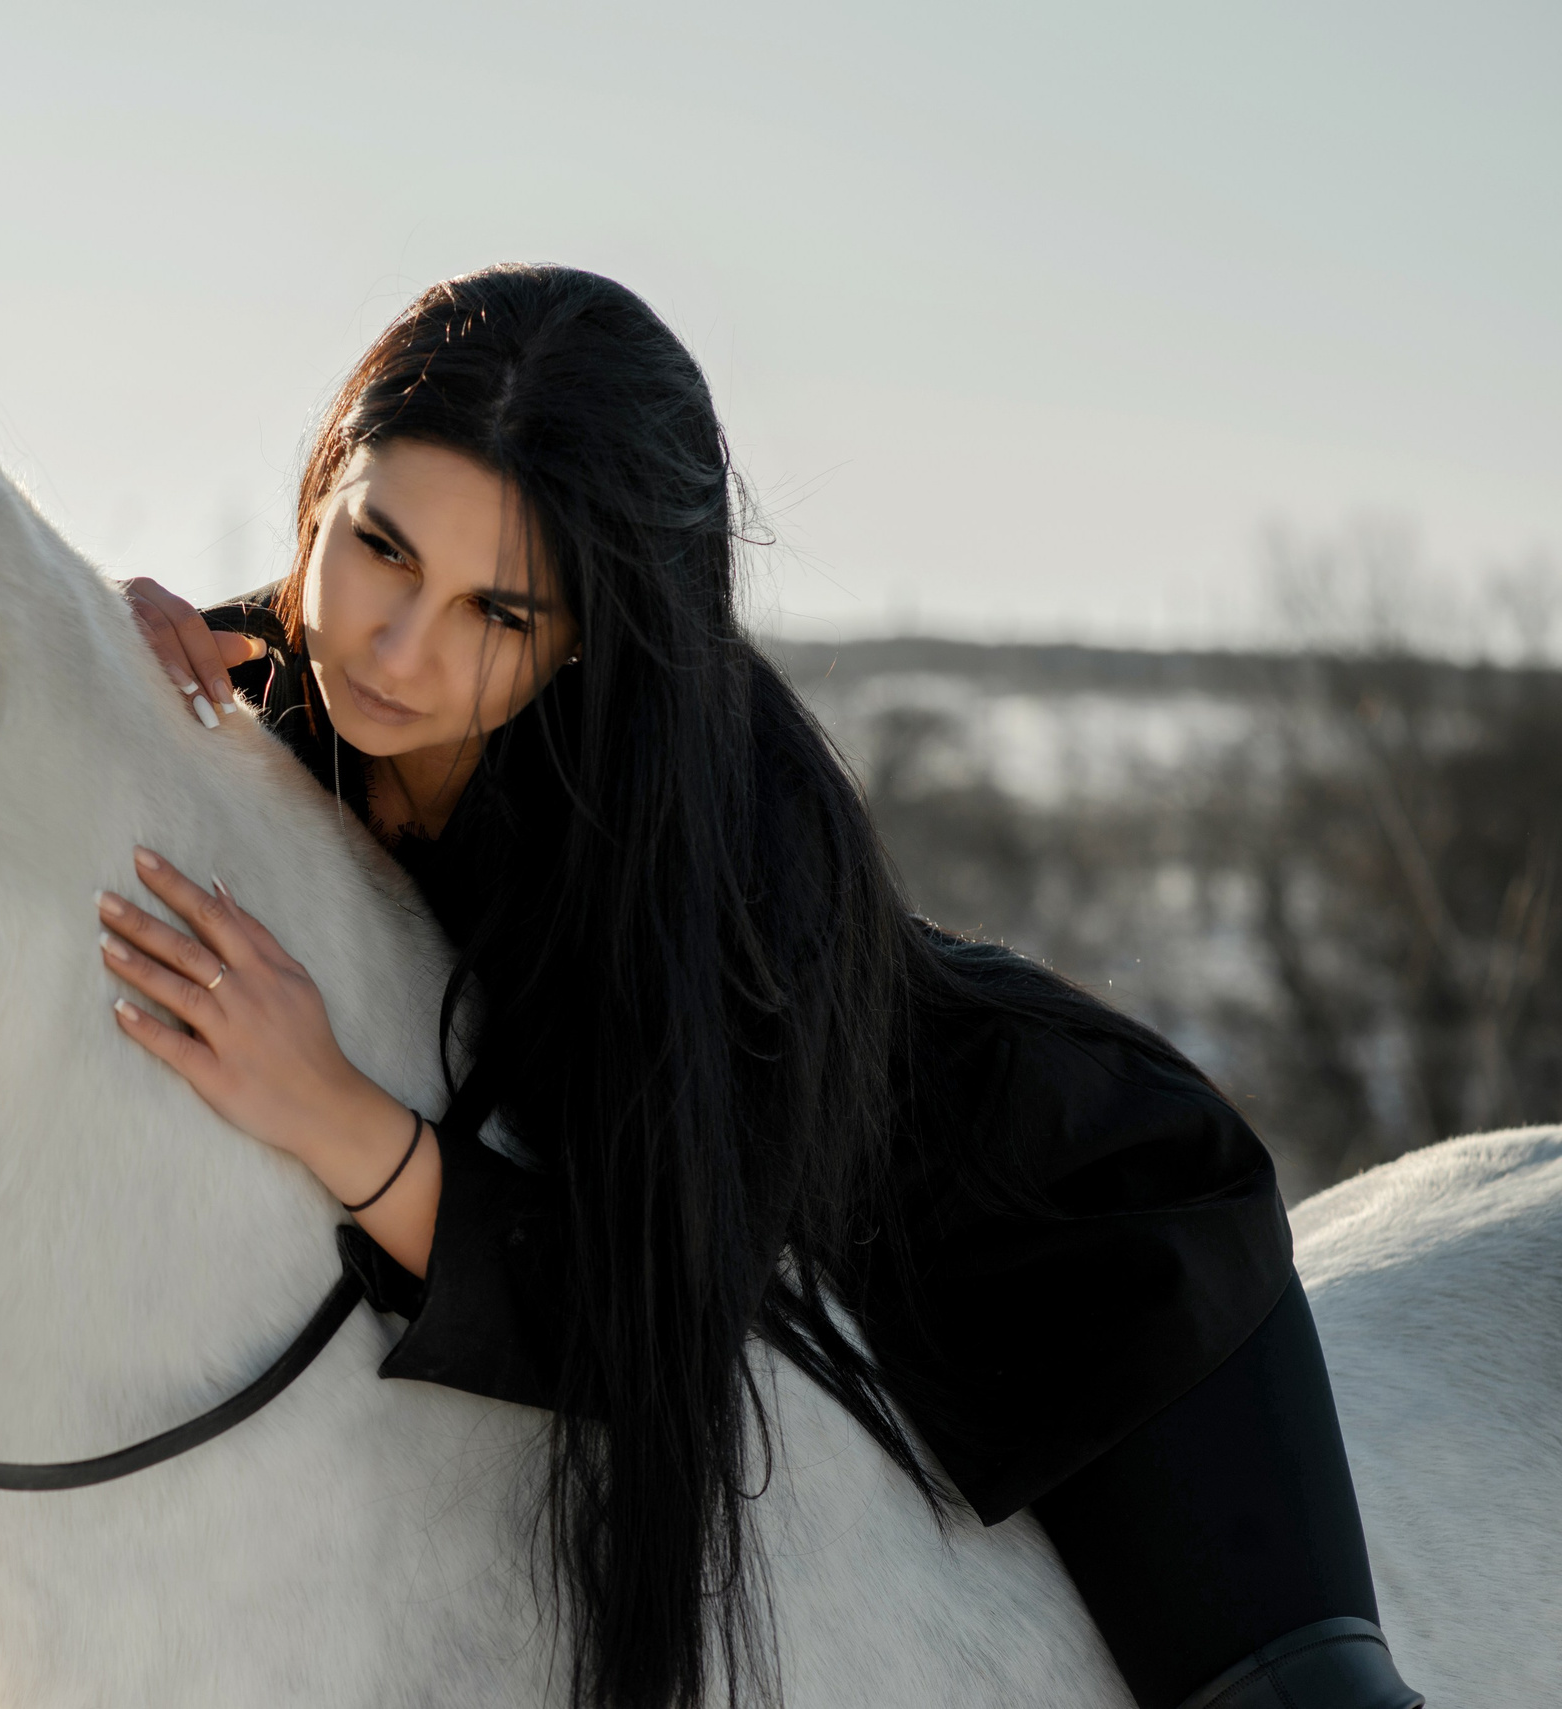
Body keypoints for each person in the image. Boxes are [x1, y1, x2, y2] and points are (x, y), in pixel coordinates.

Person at [98, 266, 1422, 1709]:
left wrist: (331, 1111)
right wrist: (92, 667)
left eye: (501, 612)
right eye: (382, 548)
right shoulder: (270, 678)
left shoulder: (725, 851)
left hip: (1051, 1239)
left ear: (594, 630)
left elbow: (631, 1317)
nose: (396, 647)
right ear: (322, 495)